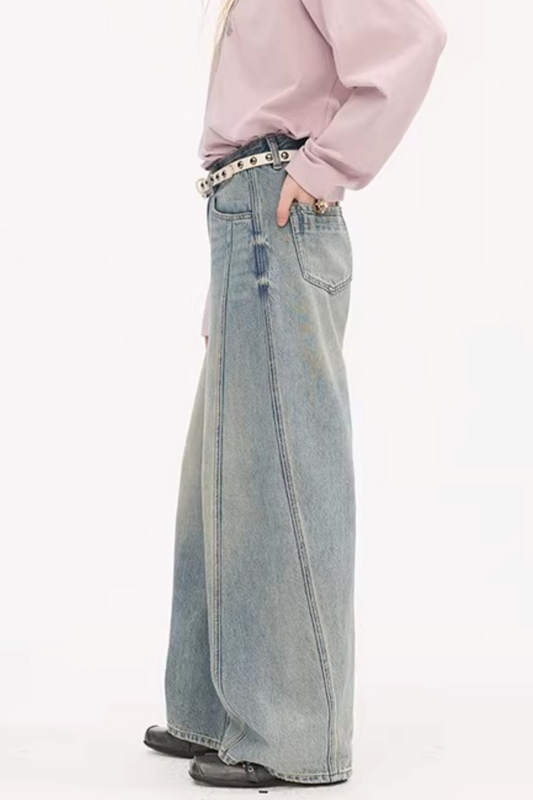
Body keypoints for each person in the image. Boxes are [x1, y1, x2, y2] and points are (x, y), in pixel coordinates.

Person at [144, 0, 447, 788]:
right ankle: (211, 709)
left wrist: (323, 168)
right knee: (218, 484)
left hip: (274, 206)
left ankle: (291, 737)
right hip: (243, 222)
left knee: (280, 481)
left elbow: (413, 40)